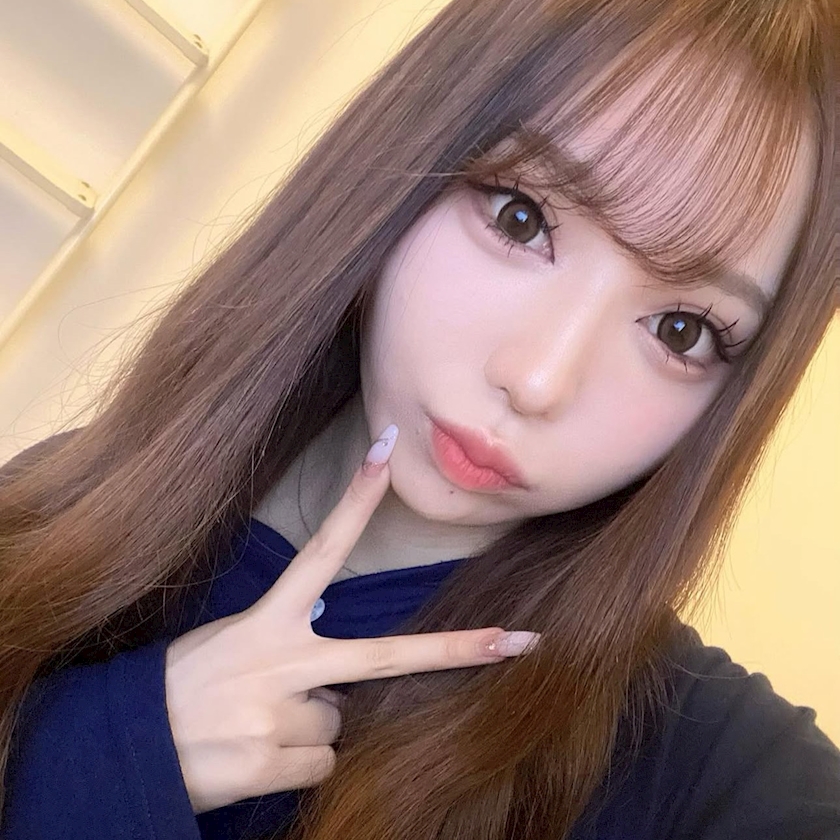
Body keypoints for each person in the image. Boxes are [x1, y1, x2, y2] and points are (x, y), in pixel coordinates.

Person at [0, 0, 838, 837]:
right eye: (520, 217)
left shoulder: (708, 768)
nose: (537, 380)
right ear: (408, 163)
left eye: (681, 331)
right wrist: (108, 756)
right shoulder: (70, 507)